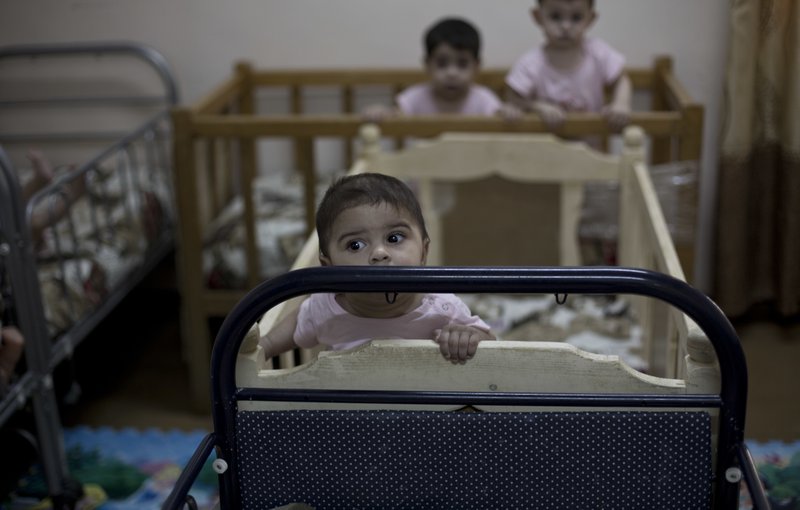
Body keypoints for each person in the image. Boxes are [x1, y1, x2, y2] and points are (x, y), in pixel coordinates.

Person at [259, 172, 496, 364]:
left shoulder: (442, 307)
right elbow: (298, 320)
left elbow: (495, 348)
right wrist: (264, 347)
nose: (379, 254)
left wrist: (469, 337)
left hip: (425, 417)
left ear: (423, 252)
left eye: (394, 238)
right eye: (355, 245)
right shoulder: (326, 307)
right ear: (328, 267)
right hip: (354, 417)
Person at [505, 0, 632, 133]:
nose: (566, 26)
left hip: (592, 151)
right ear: (538, 17)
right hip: (546, 150)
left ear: (591, 19)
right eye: (555, 16)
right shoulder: (530, 63)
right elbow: (513, 98)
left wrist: (621, 104)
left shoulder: (598, 53)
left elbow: (622, 79)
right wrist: (538, 107)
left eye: (576, 18)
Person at [363, 17, 514, 119]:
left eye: (462, 64)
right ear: (427, 64)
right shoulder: (415, 97)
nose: (451, 73)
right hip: (424, 165)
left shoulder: (484, 99)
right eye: (442, 64)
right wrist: (381, 113)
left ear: (477, 66)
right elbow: (394, 116)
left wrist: (507, 112)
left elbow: (498, 116)